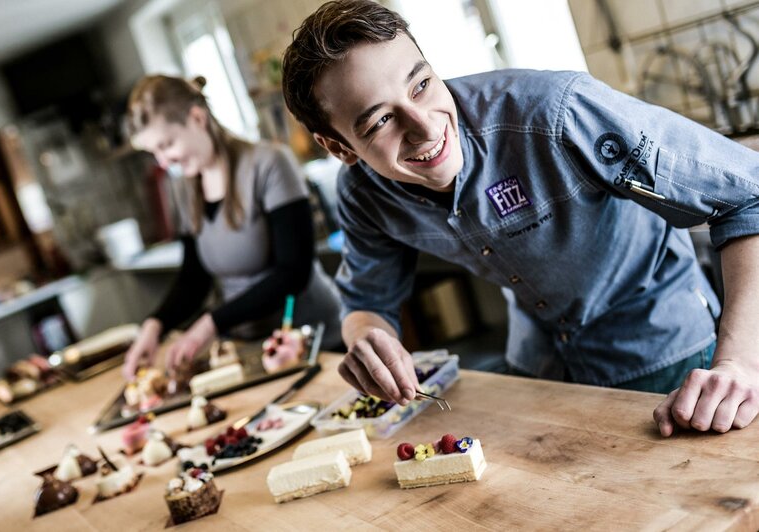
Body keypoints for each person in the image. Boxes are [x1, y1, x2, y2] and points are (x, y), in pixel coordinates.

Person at [280, 0, 759, 437]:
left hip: (666, 356)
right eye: (380, 120)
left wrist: (739, 364)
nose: (425, 126)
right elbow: (367, 301)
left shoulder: (555, 111)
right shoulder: (364, 193)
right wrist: (366, 337)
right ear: (339, 147)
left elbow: (747, 197)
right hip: (543, 369)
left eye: (422, 84)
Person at [121, 75, 343, 380]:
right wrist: (155, 326)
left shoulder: (270, 163)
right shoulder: (183, 188)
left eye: (167, 144)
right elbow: (193, 276)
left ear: (197, 118)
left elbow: (294, 271)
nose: (164, 160)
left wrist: (211, 323)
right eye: (154, 153)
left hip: (315, 341)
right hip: (250, 349)